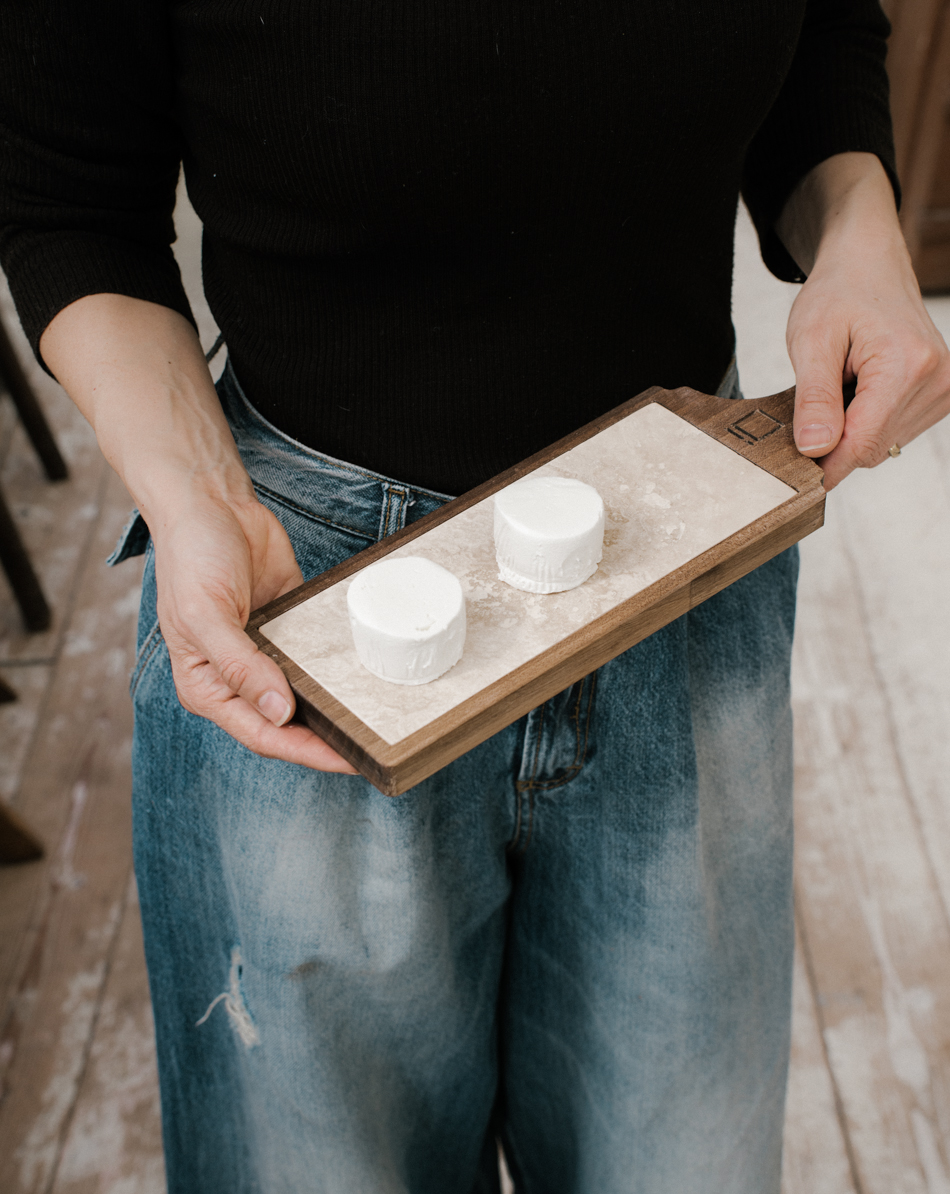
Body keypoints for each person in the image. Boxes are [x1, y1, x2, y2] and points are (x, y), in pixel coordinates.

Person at [2, 1, 948, 1190]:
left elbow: (816, 32)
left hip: (688, 548)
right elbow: (69, 201)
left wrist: (858, 229)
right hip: (302, 589)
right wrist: (196, 497)